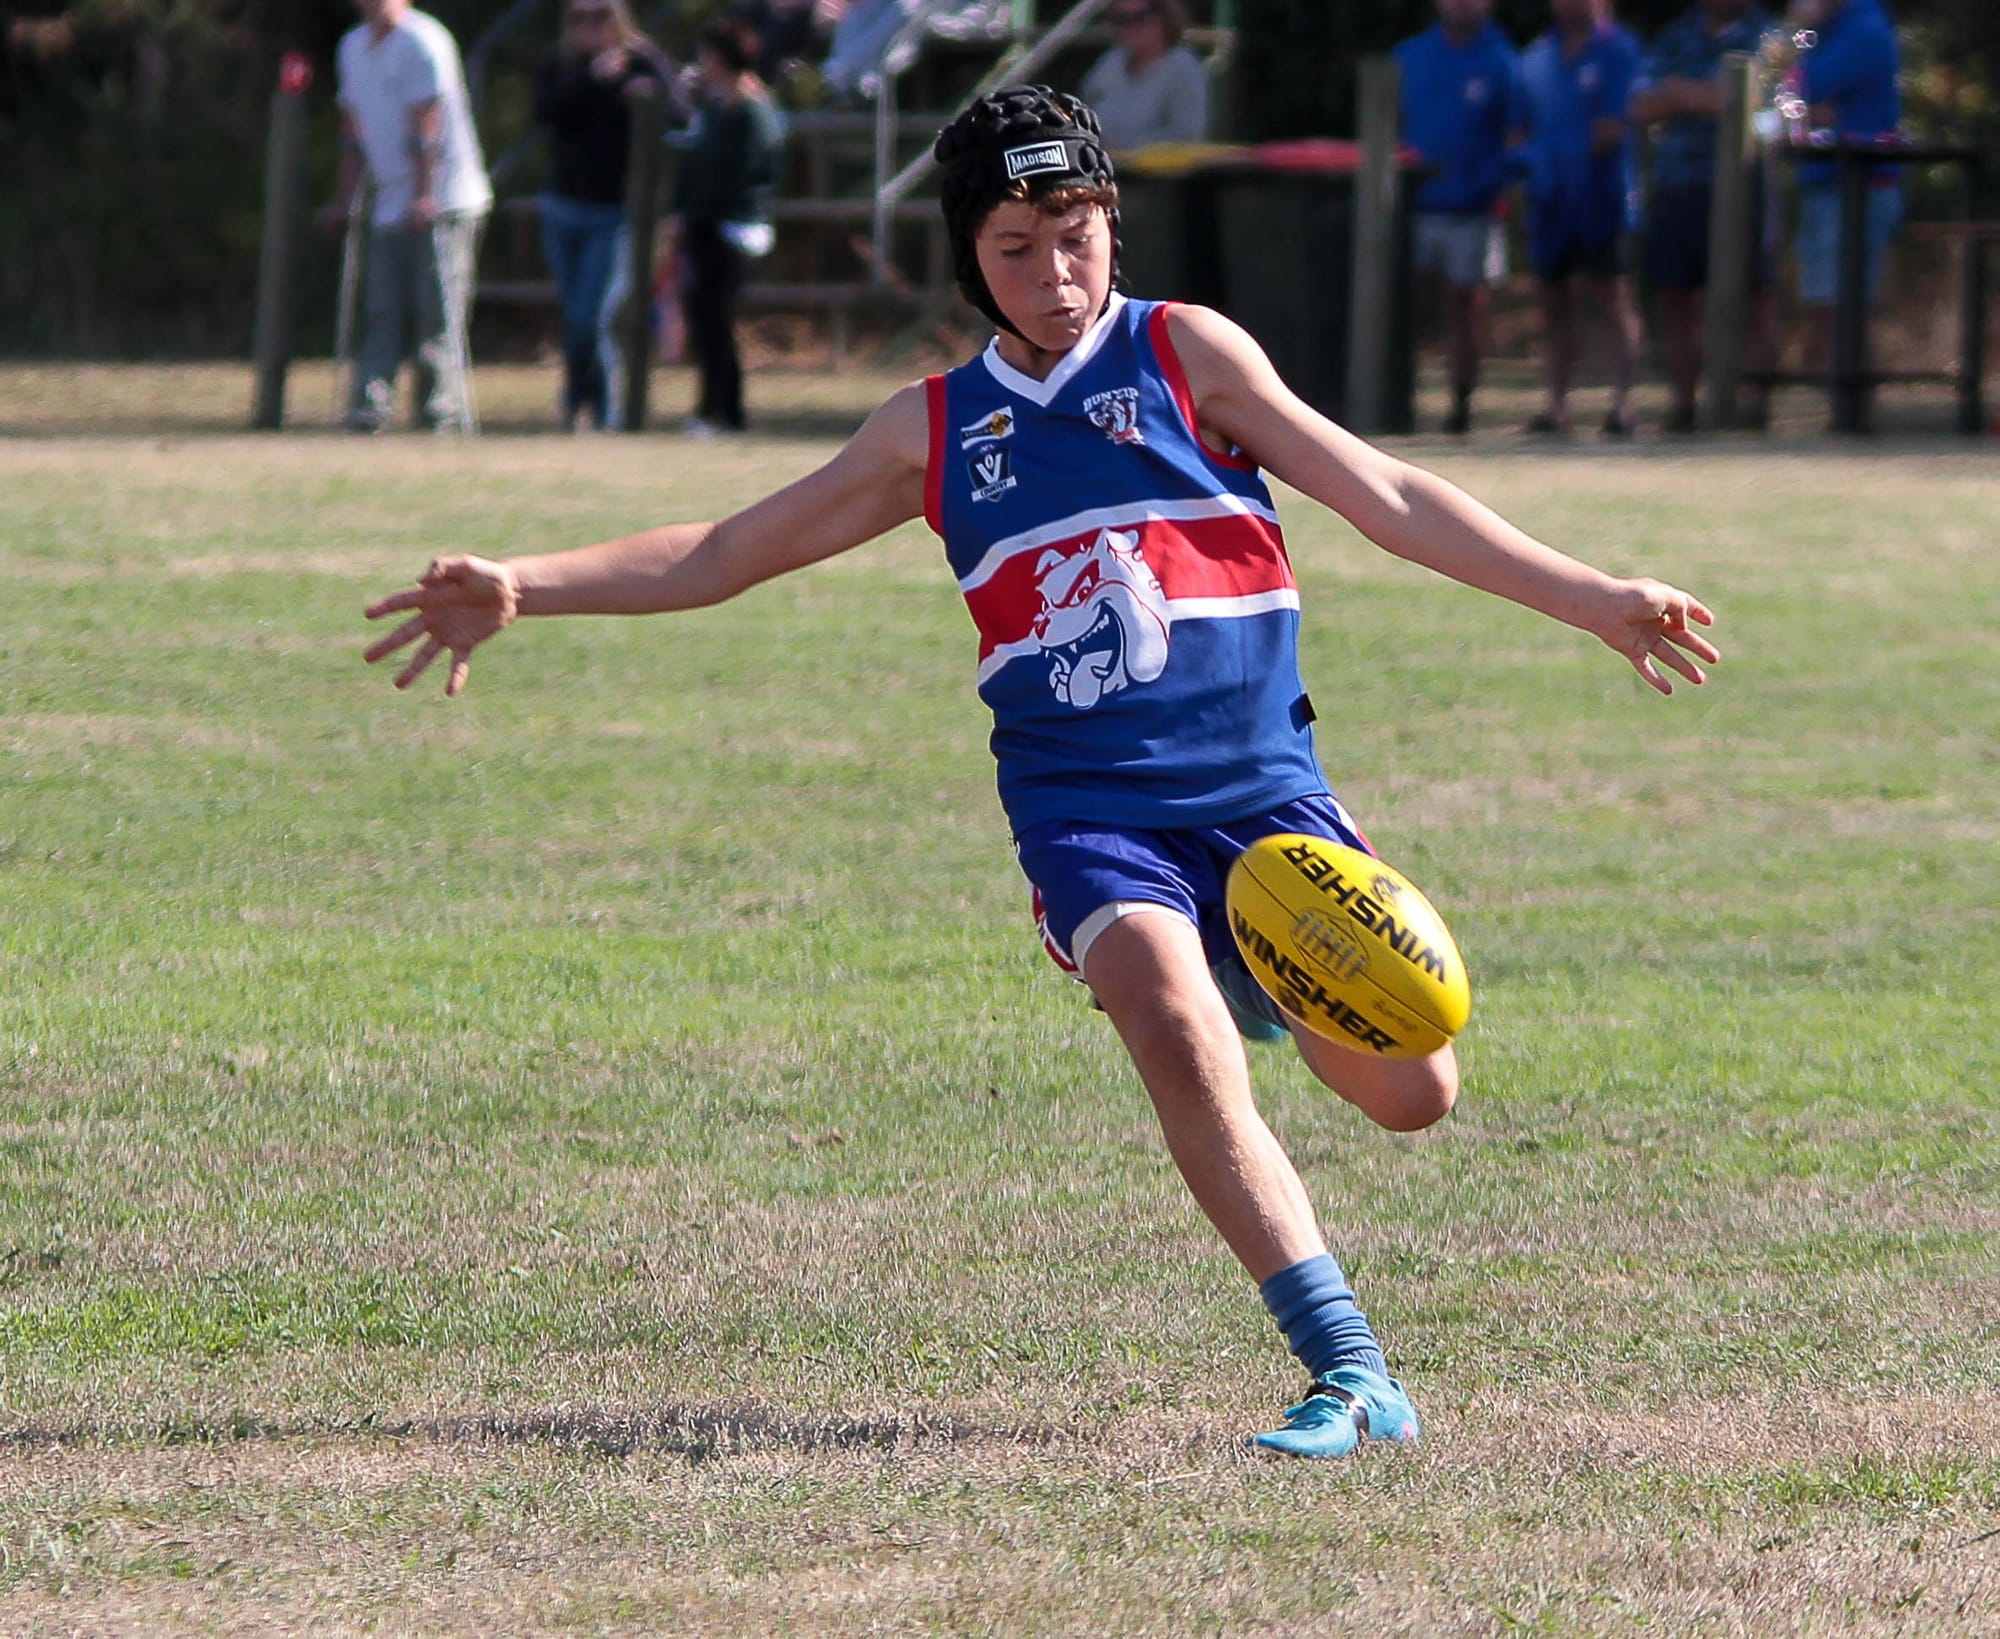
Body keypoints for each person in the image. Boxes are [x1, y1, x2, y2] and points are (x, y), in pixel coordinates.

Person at [364, 85, 1719, 1458]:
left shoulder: (1190, 354)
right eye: (1016, 247)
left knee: (1413, 1091)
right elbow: (723, 549)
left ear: (1113, 229)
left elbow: (1391, 493)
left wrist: (1591, 594)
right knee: (1166, 1019)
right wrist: (525, 583)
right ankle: (1350, 1367)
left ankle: (1253, 974)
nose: (1057, 273)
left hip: (1263, 799)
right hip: (1089, 811)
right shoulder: (933, 431)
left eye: (1077, 235)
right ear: (970, 260)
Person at [327, 0, 492, 433]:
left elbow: (429, 125)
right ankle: (369, 406)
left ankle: (438, 410)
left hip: (446, 201)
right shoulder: (352, 46)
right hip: (390, 200)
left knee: (435, 310)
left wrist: (424, 197)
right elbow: (352, 132)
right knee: (381, 308)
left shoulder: (423, 41)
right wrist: (346, 200)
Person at [1630, 0, 1777, 434]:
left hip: (1744, 188)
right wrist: (1707, 98)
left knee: (1754, 298)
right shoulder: (1677, 35)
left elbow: (1760, 101)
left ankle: (1752, 403)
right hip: (1678, 184)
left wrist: (1680, 95)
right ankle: (1683, 404)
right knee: (1674, 296)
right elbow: (1640, 106)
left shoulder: (1767, 36)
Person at [534, 0, 681, 433]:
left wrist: (642, 92)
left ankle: (596, 408)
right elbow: (543, 114)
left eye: (599, 16)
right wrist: (591, 79)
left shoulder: (643, 60)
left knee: (589, 316)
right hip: (562, 207)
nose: (589, 26)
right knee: (576, 317)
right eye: (578, 17)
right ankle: (585, 407)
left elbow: (682, 115)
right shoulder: (560, 63)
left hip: (614, 215)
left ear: (618, 18)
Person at [1511, 0, 1643, 437]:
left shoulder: (1620, 51)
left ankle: (1621, 404)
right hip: (1550, 200)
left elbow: (1613, 126)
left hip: (1602, 199)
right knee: (1552, 303)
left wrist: (1561, 155)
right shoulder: (1537, 57)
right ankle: (1556, 405)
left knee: (1612, 297)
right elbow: (1519, 129)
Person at [1393, 0, 1520, 436]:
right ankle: (1396, 400)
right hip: (1412, 207)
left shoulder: (1503, 61)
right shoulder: (1410, 56)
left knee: (1466, 308)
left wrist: (1496, 186)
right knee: (1405, 306)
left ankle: (1460, 407)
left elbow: (1516, 134)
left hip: (1474, 210)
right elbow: (1391, 125)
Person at [664, 20, 783, 437]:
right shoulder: (715, 108)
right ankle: (714, 409)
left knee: (715, 320)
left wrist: (698, 211)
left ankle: (723, 412)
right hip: (704, 227)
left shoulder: (754, 111)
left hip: (734, 230)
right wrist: (681, 211)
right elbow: (694, 167)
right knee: (705, 320)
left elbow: (744, 175)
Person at [1788, 0, 1902, 423]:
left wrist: (1804, 100)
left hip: (1861, 188)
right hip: (1826, 183)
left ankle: (1854, 415)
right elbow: (1790, 98)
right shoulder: (1828, 30)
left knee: (1847, 304)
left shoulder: (1864, 26)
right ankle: (1843, 412)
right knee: (1828, 304)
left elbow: (1802, 86)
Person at [1079, 0, 1209, 151]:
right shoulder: (1110, 63)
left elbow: (1187, 135)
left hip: (1157, 171)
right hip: (1101, 165)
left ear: (1163, 17)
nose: (1130, 27)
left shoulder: (1182, 67)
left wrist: (1125, 145)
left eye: (1139, 17)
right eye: (1121, 19)